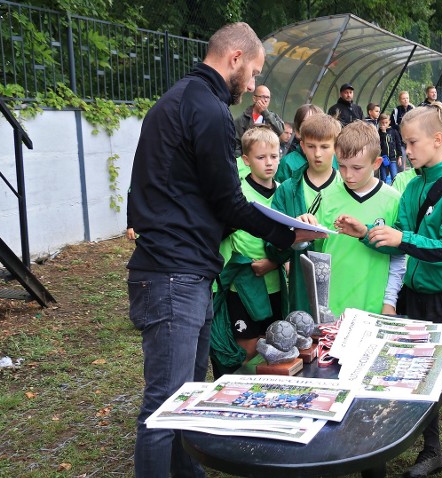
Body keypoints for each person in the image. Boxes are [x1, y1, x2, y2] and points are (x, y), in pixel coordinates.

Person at [126, 22, 324, 478]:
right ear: (234, 59)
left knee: (187, 396)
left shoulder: (172, 101)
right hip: (173, 274)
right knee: (165, 406)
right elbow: (230, 202)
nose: (253, 85)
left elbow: (152, 192)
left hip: (182, 270)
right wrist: (287, 235)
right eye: (253, 72)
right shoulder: (209, 109)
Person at [335, 103, 442, 478]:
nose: (407, 150)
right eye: (403, 143)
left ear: (437, 140)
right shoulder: (413, 186)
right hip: (414, 297)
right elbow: (398, 239)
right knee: (419, 374)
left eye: (412, 142)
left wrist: (403, 237)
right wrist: (365, 233)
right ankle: (431, 452)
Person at [303, 121, 403, 317]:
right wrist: (303, 227)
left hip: (374, 308)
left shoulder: (393, 200)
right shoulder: (325, 196)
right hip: (331, 308)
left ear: (376, 163)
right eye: (342, 166)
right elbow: (311, 248)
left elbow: (400, 257)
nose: (348, 175)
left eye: (357, 167)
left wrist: (389, 302)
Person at [217, 126, 285, 361]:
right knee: (248, 347)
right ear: (246, 160)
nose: (269, 163)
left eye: (274, 156)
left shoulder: (284, 192)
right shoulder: (237, 193)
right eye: (261, 157)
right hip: (243, 285)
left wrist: (275, 262)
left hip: (277, 283)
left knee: (278, 343)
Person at [270, 113, 343, 315]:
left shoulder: (347, 187)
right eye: (311, 146)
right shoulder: (287, 190)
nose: (317, 154)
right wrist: (293, 237)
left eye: (324, 146)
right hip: (302, 288)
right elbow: (271, 247)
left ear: (336, 147)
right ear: (302, 146)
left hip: (342, 284)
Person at [275, 104, 326, 184]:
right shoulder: (287, 163)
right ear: (298, 132)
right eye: (307, 124)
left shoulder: (333, 159)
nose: (313, 128)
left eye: (317, 123)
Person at [233, 84, 285, 157]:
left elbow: (281, 130)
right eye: (263, 97)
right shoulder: (243, 119)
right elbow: (236, 144)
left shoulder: (272, 117)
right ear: (254, 99)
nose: (266, 100)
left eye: (268, 97)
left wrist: (265, 113)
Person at [392, 91, 415, 172]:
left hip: (411, 141)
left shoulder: (413, 109)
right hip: (401, 142)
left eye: (407, 98)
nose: (405, 100)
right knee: (401, 167)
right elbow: (393, 126)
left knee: (415, 164)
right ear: (400, 100)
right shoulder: (396, 110)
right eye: (403, 98)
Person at [379, 113, 402, 185]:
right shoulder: (379, 132)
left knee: (394, 176)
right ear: (380, 123)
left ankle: (394, 189)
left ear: (389, 122)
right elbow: (380, 143)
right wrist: (383, 133)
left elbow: (398, 144)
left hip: (392, 158)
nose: (384, 124)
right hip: (383, 158)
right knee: (383, 177)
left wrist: (399, 157)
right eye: (382, 123)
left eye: (386, 122)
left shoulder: (394, 131)